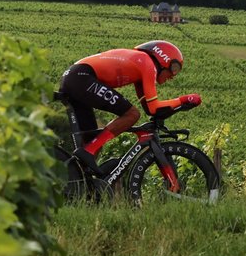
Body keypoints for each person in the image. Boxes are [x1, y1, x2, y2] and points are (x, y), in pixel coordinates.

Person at [58, 40, 201, 171]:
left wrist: (179, 107)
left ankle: (78, 184)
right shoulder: (147, 63)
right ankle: (89, 151)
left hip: (75, 77)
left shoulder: (140, 66)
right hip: (81, 77)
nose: (173, 75)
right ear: (164, 58)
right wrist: (183, 99)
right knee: (131, 115)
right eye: (174, 68)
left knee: (89, 142)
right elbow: (153, 107)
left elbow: (150, 109)